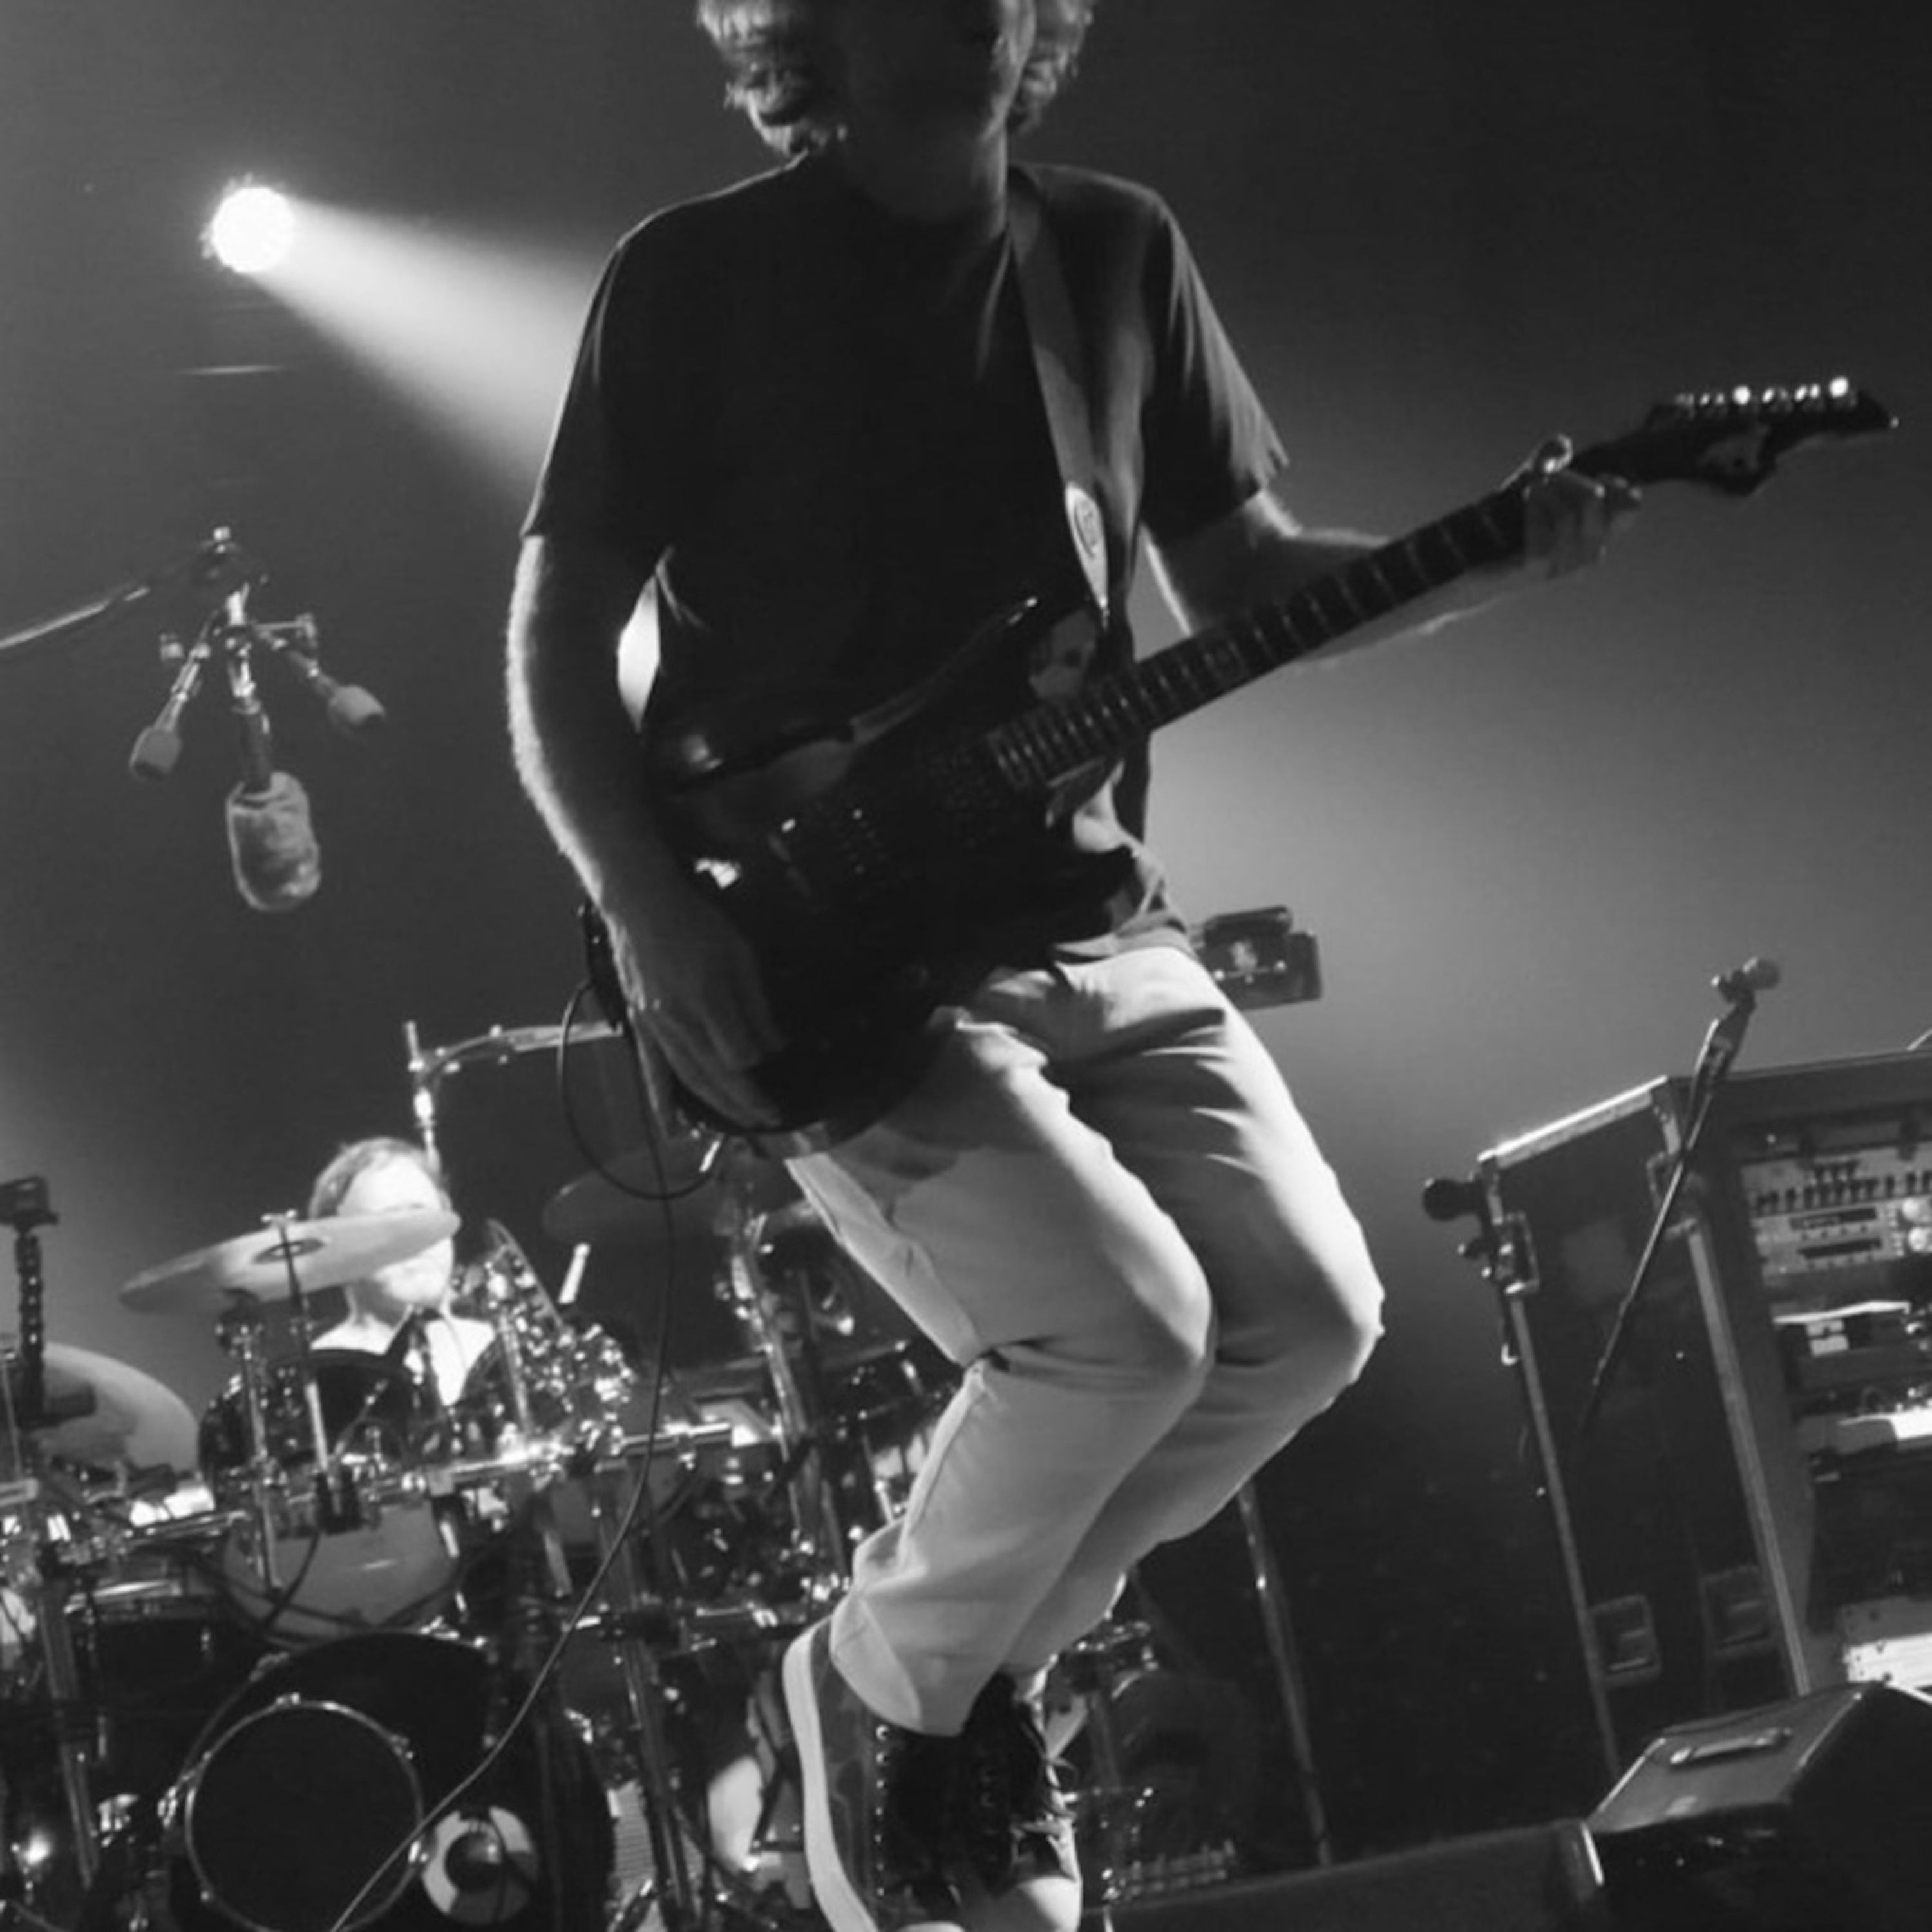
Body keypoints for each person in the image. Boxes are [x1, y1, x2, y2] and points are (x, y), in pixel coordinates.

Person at [504, 6, 1636, 1931]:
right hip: (820, 944)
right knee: (1123, 1330)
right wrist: (644, 903)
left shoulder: (1110, 247)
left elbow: (1243, 570)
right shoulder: (693, 276)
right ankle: (884, 1683)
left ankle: (933, 1680)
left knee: (1306, 1317)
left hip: (1092, 908)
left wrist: (1494, 555)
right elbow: (555, 626)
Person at [308, 1136, 493, 1409]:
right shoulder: (320, 1377)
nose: (414, 1238)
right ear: (339, 1249)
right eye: (389, 1222)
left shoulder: (492, 1346)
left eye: (424, 1216)